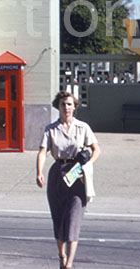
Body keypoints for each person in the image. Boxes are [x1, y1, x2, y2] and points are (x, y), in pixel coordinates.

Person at [36, 91, 101, 269]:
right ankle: (61, 255)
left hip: (77, 175)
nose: (66, 108)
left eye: (70, 104)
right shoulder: (50, 129)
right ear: (58, 106)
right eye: (63, 104)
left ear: (75, 107)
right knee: (58, 218)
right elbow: (42, 152)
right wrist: (39, 172)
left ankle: (69, 264)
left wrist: (87, 166)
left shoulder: (83, 127)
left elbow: (97, 149)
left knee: (74, 218)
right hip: (58, 173)